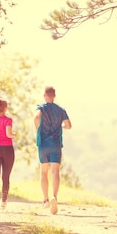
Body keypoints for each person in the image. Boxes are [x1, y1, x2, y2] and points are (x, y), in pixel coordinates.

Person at [34, 86, 72, 215]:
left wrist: (38, 130)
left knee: (43, 171)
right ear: (54, 96)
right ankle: (54, 197)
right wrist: (59, 126)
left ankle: (45, 200)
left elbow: (36, 118)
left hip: (43, 144)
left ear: (45, 95)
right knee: (55, 171)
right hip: (56, 144)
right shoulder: (61, 110)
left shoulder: (41, 108)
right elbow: (68, 125)